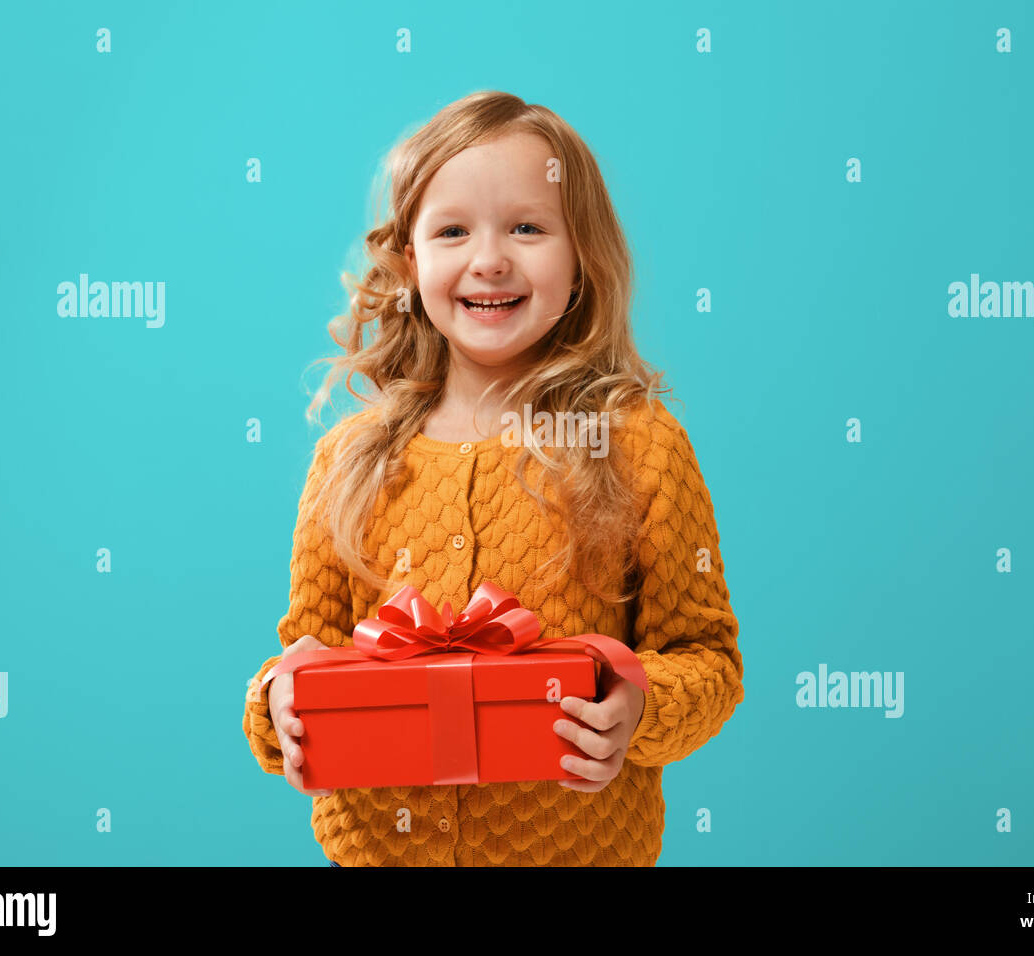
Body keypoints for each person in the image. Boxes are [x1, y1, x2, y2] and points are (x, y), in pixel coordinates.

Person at [243, 90, 743, 866]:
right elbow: (308, 653)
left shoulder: (638, 445)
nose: (490, 259)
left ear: (582, 257)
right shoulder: (351, 460)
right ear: (411, 263)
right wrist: (276, 703)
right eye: (452, 231)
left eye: (528, 227)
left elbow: (707, 657)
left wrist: (636, 705)